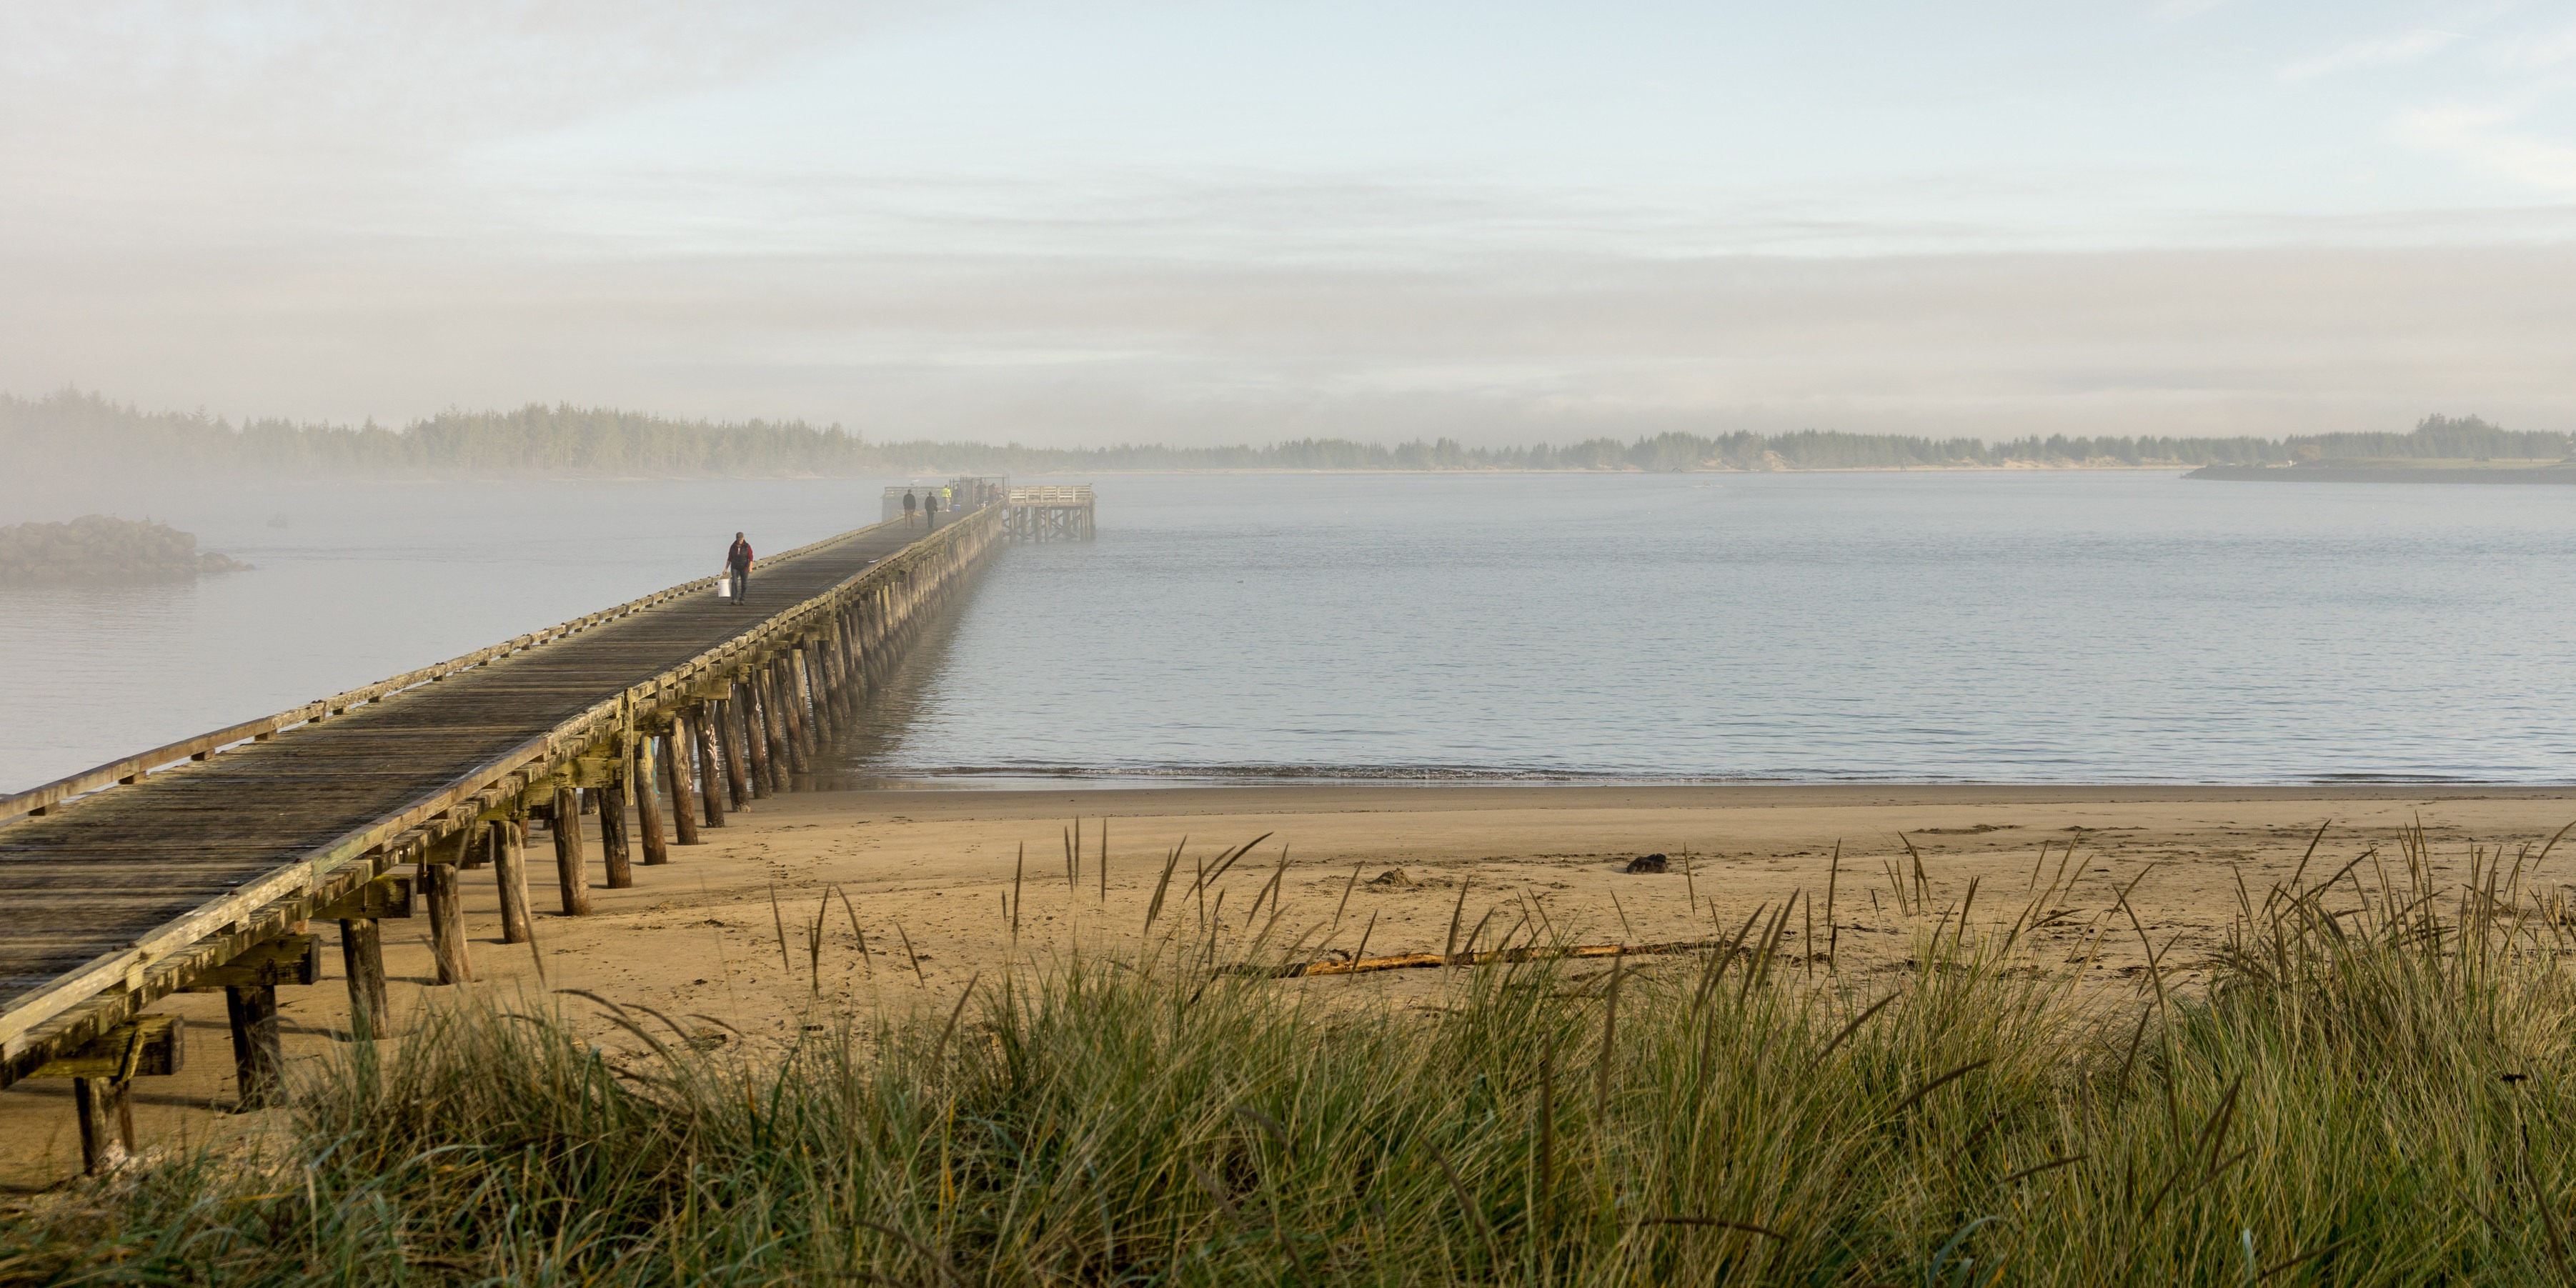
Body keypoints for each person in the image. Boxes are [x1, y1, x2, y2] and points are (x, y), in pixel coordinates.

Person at [725, 531, 754, 607]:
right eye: (738, 540)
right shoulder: (733, 546)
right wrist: (725, 568)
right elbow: (729, 558)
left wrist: (750, 568)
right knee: (734, 582)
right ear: (736, 539)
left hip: (744, 567)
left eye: (741, 540)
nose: (740, 541)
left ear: (743, 538)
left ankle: (742, 599)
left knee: (744, 584)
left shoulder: (747, 546)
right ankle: (734, 599)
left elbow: (751, 558)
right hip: (735, 567)